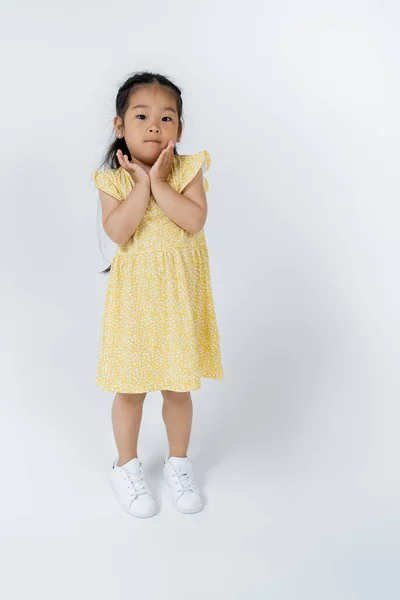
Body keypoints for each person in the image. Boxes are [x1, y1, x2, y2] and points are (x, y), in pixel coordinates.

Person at [92, 71, 224, 518]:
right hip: (134, 309)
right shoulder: (113, 183)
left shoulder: (188, 170)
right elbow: (119, 230)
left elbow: (193, 221)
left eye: (166, 118)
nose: (154, 126)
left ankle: (178, 462)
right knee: (130, 391)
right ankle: (125, 465)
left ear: (179, 129)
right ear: (120, 126)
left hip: (178, 306)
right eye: (142, 116)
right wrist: (143, 184)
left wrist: (162, 182)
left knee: (177, 389)